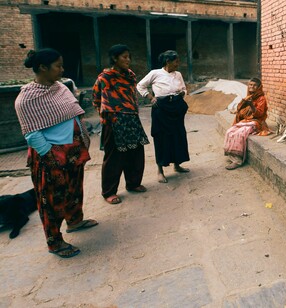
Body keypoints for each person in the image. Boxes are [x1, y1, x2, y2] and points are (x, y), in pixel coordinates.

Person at [15, 48, 98, 258]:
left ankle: (75, 221)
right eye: (58, 66)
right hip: (51, 156)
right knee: (51, 201)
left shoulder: (60, 87)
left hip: (73, 150)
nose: (62, 69)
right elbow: (32, 133)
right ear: (42, 67)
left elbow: (71, 111)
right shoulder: (26, 99)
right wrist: (51, 157)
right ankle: (55, 242)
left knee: (74, 189)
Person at [93, 44, 149, 204]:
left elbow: (132, 96)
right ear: (114, 58)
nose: (128, 60)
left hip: (131, 119)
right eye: (124, 57)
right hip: (114, 121)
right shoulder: (104, 78)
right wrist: (106, 115)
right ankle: (109, 192)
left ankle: (133, 183)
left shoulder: (130, 76)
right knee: (114, 158)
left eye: (129, 57)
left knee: (136, 153)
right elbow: (96, 99)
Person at [137, 50, 190, 183]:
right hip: (161, 108)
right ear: (168, 61)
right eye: (176, 61)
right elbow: (140, 86)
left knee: (178, 135)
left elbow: (184, 88)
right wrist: (150, 97)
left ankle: (177, 165)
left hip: (176, 107)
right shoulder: (155, 73)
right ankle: (160, 171)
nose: (178, 64)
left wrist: (182, 93)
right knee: (161, 136)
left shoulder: (178, 74)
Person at [223, 77, 270, 170]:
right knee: (230, 131)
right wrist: (244, 105)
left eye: (255, 85)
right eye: (250, 85)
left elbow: (259, 114)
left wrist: (251, 105)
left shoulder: (262, 98)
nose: (252, 87)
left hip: (257, 122)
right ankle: (232, 155)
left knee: (240, 134)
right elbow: (240, 111)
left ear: (259, 87)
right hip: (246, 120)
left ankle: (238, 160)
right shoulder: (248, 97)